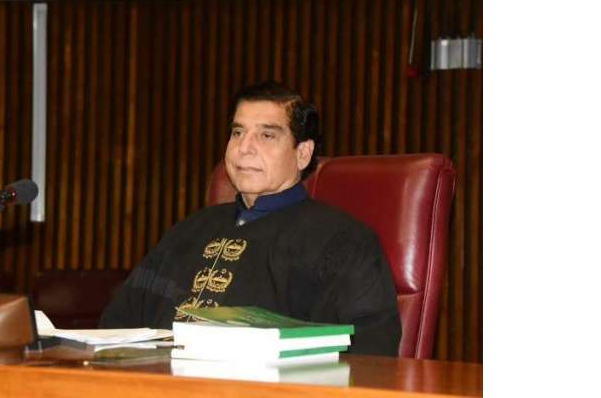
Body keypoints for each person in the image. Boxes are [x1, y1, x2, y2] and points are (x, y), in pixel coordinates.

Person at [100, 81, 401, 355]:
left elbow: (370, 356)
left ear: (302, 154)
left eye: (267, 135)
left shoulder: (345, 242)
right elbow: (116, 328)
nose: (244, 148)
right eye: (238, 133)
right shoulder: (188, 231)